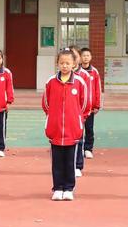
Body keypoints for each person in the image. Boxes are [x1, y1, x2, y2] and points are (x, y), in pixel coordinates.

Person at [42, 49, 90, 201]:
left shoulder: (80, 82)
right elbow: (46, 103)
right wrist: (53, 118)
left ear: (74, 64)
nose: (64, 66)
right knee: (56, 161)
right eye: (62, 63)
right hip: (55, 129)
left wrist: (77, 118)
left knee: (70, 160)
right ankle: (57, 188)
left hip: (72, 128)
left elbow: (85, 105)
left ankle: (69, 188)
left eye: (68, 63)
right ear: (57, 63)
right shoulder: (51, 82)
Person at [69, 45, 92, 176]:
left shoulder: (84, 75)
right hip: (66, 115)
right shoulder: (60, 75)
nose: (72, 59)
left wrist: (83, 114)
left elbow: (87, 98)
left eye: (75, 56)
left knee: (79, 138)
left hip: (79, 114)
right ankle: (68, 165)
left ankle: (78, 165)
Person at [79, 47, 102, 160]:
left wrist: (97, 105)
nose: (86, 57)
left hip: (90, 107)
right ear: (80, 57)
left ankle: (88, 149)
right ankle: (79, 148)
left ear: (91, 57)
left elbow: (97, 89)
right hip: (78, 107)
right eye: (84, 55)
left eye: (88, 55)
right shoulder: (76, 72)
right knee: (78, 128)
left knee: (89, 128)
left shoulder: (94, 72)